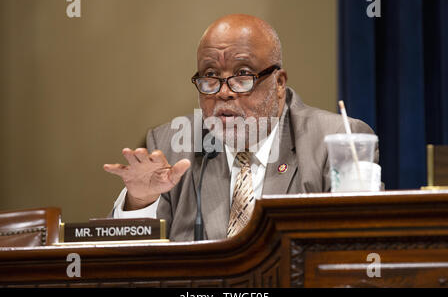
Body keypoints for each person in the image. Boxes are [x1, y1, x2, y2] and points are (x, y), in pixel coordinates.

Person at [104, 14, 377, 241]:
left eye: (243, 74)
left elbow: (355, 251)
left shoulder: (339, 141)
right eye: (210, 76)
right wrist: (140, 202)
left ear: (279, 83)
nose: (224, 93)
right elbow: (129, 267)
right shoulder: (171, 145)